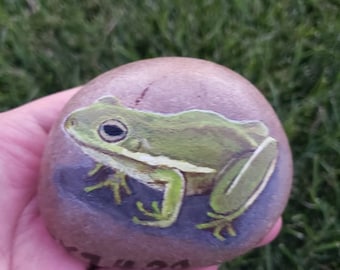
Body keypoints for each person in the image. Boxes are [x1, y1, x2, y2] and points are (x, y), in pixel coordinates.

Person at [0, 87, 282, 270]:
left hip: (232, 159)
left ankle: (224, 212)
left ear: (132, 143)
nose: (75, 121)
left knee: (221, 204)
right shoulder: (132, 154)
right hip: (222, 132)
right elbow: (130, 161)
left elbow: (173, 178)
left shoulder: (152, 160)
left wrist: (166, 217)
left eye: (111, 130)